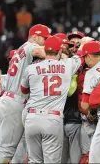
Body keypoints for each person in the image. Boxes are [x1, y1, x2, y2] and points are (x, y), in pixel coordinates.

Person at [0, 24, 49, 163]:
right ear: (35, 37)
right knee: (6, 151)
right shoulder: (29, 46)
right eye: (45, 38)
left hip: (7, 100)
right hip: (15, 102)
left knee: (3, 150)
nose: (46, 42)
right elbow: (43, 52)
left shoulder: (21, 49)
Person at [20, 35, 82, 163]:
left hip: (32, 118)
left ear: (45, 50)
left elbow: (23, 90)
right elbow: (80, 57)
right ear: (60, 51)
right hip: (52, 118)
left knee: (34, 161)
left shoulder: (31, 68)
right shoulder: (67, 65)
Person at [54, 33, 82, 163]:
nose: (74, 47)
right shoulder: (66, 63)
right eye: (71, 44)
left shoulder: (83, 64)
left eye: (78, 44)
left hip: (74, 119)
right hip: (58, 120)